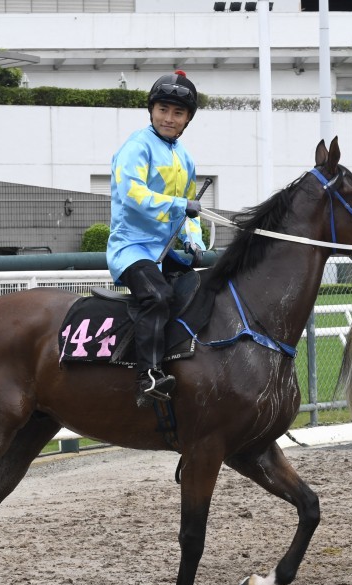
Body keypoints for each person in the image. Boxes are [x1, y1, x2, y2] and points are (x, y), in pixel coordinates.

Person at [107, 70, 207, 406]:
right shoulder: (136, 147)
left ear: (187, 119)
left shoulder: (185, 158)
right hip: (132, 249)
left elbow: (189, 214)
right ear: (151, 110)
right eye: (163, 109)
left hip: (167, 254)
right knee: (158, 296)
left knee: (200, 292)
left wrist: (195, 242)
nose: (169, 118)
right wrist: (181, 205)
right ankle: (147, 376)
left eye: (178, 113)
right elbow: (132, 193)